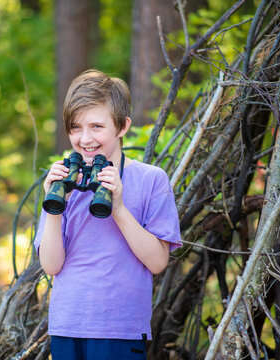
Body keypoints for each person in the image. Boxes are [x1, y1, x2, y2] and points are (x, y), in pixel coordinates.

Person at [34, 69, 181, 360]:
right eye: (75, 127)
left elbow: (158, 262)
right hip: (67, 324)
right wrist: (53, 203)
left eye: (97, 127)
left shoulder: (151, 179)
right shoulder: (63, 180)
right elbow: (51, 265)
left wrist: (119, 208)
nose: (85, 138)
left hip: (120, 328)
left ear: (122, 126)